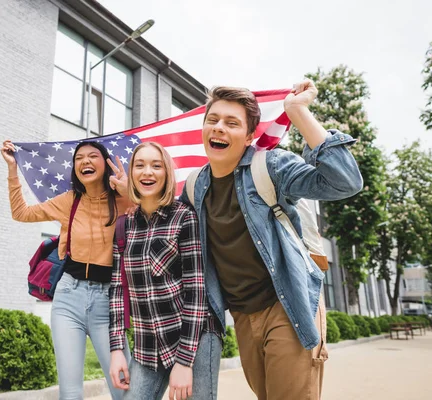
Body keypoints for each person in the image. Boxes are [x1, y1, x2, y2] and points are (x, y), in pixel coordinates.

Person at [180, 80, 363, 400]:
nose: (219, 128)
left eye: (231, 123)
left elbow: (344, 182)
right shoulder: (195, 186)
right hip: (242, 316)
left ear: (250, 135)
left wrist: (298, 112)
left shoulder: (270, 165)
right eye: (213, 120)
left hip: (287, 305)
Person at [1, 139, 131, 400]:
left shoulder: (124, 202)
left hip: (108, 301)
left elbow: (156, 212)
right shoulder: (69, 200)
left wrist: (128, 192)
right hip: (68, 297)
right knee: (70, 392)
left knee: (125, 389)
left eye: (92, 156)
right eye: (79, 158)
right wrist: (13, 170)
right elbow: (21, 213)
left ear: (106, 164)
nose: (85, 161)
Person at [108, 142, 221, 400]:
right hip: (147, 345)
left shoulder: (184, 217)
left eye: (156, 165)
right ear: (132, 173)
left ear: (167, 173)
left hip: (195, 339)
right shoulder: (123, 227)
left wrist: (184, 362)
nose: (148, 172)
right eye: (140, 165)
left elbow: (196, 292)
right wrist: (116, 349)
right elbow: (116, 291)